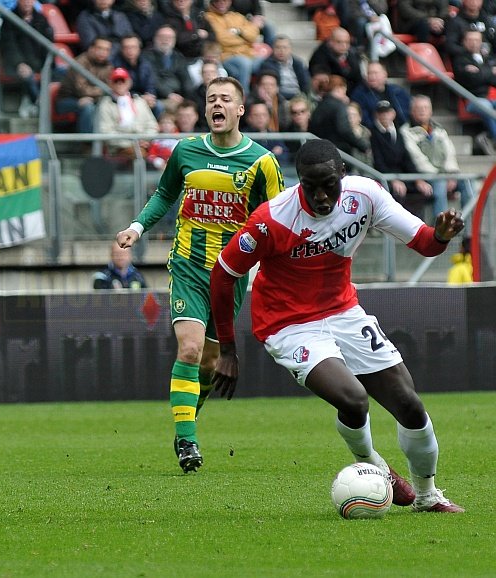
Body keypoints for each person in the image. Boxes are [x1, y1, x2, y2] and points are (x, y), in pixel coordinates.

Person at [209, 138, 465, 514]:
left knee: (410, 406)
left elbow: (424, 242)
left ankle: (428, 495)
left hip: (344, 312)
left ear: (343, 174)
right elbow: (223, 274)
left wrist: (441, 235)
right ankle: (374, 464)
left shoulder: (366, 196)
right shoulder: (272, 219)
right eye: (310, 186)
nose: (320, 195)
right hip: (288, 324)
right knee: (354, 398)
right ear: (298, 181)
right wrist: (227, 350)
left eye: (328, 184)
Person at [115, 77, 284, 473]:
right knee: (189, 350)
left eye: (226, 99)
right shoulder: (186, 151)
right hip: (188, 266)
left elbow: (278, 219)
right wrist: (136, 228)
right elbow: (164, 194)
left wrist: (275, 270)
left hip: (231, 275)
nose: (217, 105)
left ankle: (186, 419)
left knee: (209, 363)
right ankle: (188, 440)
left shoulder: (262, 162)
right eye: (211, 99)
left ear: (241, 110)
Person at [402, 94, 474, 217]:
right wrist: (441, 176)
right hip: (424, 175)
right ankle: (441, 232)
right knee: (440, 185)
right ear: (412, 111)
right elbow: (418, 159)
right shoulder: (406, 132)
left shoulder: (440, 130)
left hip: (445, 174)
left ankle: (468, 231)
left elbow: (450, 153)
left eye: (425, 108)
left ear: (431, 111)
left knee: (468, 182)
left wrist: (451, 174)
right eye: (419, 108)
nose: (422, 111)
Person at [370, 99, 434, 218]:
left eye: (387, 112)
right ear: (376, 115)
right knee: (396, 192)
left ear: (393, 114)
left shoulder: (398, 132)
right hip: (385, 176)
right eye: (381, 113)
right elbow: (378, 162)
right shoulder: (373, 134)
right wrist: (393, 179)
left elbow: (406, 158)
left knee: (423, 190)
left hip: (402, 175)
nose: (384, 116)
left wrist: (418, 179)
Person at [0, 0, 55, 119]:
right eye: (24, 0)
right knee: (28, 75)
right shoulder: (9, 19)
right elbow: (9, 46)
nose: (27, 3)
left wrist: (48, 64)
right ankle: (39, 104)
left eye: (30, 0)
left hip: (39, 62)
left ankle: (42, 104)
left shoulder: (41, 19)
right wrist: (19, 63)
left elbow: (48, 43)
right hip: (16, 64)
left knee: (63, 72)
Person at [95, 67, 159, 159]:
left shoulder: (139, 101)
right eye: (116, 81)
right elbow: (106, 131)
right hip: (118, 149)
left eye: (122, 81)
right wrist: (132, 143)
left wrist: (145, 139)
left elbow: (152, 125)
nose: (120, 84)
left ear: (129, 82)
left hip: (143, 145)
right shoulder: (105, 104)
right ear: (111, 84)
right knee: (138, 154)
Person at [451, 29, 496, 157]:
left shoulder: (488, 58)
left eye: (477, 40)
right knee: (486, 107)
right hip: (472, 99)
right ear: (464, 42)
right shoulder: (460, 59)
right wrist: (489, 72)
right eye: (470, 40)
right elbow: (471, 80)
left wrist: (480, 72)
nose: (474, 43)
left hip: (490, 97)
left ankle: (487, 137)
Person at [56, 36, 114, 134]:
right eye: (100, 48)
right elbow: (82, 90)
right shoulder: (80, 62)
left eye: (106, 50)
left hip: (93, 99)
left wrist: (105, 92)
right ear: (91, 49)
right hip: (68, 100)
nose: (103, 52)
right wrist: (103, 91)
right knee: (88, 106)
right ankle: (87, 144)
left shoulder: (108, 66)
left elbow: (112, 88)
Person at [203, 0, 261, 94]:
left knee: (265, 61)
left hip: (247, 54)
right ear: (212, 2)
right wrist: (244, 39)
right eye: (218, 1)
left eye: (225, 1)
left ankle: (260, 95)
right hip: (227, 56)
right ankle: (243, 96)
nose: (221, 3)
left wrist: (238, 31)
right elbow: (221, 38)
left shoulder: (237, 16)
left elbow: (254, 34)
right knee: (244, 63)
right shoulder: (209, 17)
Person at [308, 75, 370, 158]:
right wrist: (362, 146)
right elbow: (344, 130)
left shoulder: (319, 106)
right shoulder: (339, 106)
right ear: (339, 88)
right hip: (338, 152)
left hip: (320, 152)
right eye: (345, 91)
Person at [141, 25, 193, 115]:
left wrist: (187, 99)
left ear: (174, 40)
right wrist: (168, 94)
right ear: (155, 38)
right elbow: (152, 79)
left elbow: (186, 80)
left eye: (169, 37)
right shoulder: (146, 57)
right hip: (158, 97)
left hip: (178, 96)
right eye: (162, 37)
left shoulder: (178, 57)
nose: (165, 40)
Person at [349, 61, 411, 130]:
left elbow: (407, 112)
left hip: (401, 130)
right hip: (375, 133)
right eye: (369, 73)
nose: (372, 76)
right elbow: (364, 119)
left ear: (385, 74)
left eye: (375, 73)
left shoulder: (397, 91)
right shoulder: (359, 94)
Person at [308, 27, 365, 93]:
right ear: (330, 41)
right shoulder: (319, 56)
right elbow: (321, 84)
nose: (344, 46)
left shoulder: (353, 55)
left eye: (347, 42)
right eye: (339, 42)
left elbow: (358, 79)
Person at [258, 35, 311, 101]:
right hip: (279, 98)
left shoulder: (298, 63)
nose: (281, 50)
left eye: (285, 48)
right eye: (278, 47)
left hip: (299, 97)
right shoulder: (267, 65)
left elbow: (306, 83)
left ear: (290, 49)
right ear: (273, 49)